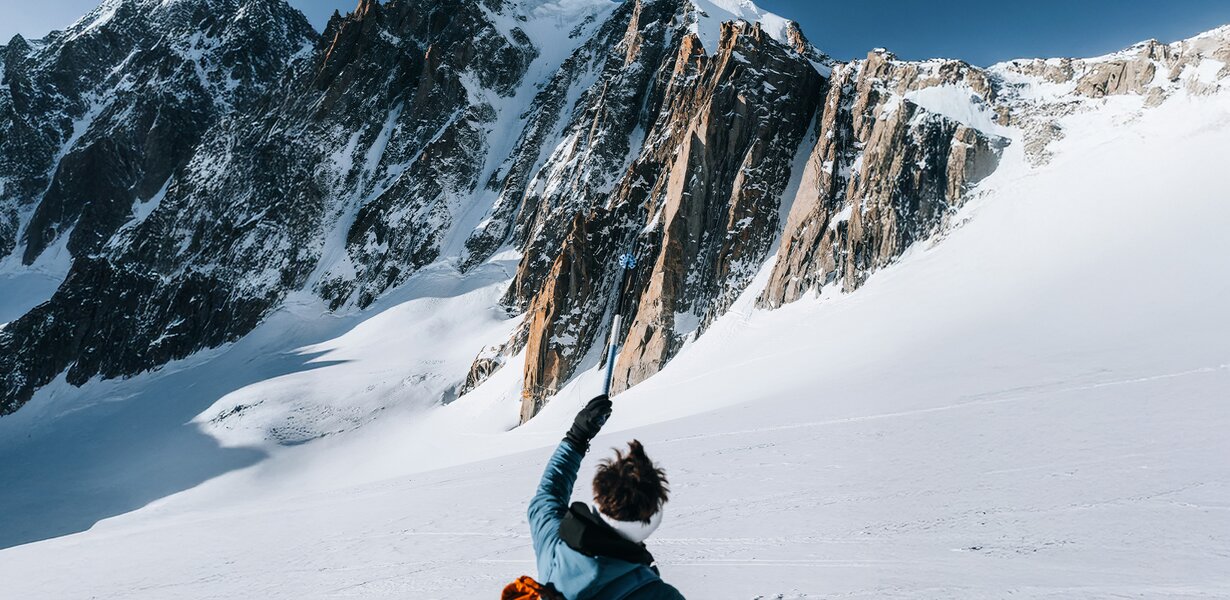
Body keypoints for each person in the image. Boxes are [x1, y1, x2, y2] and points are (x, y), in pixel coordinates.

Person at [526, 394, 684, 599]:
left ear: (599, 500)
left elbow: (548, 493)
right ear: (651, 521)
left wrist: (577, 436)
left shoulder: (554, 546)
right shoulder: (660, 595)